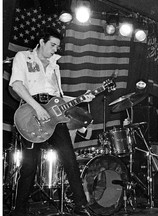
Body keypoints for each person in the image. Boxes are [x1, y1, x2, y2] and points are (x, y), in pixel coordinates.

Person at [9, 27, 96, 216]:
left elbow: (57, 98)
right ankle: (19, 210)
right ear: (41, 41)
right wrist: (38, 108)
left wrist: (82, 98)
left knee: (70, 159)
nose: (55, 49)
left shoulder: (55, 65)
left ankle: (81, 205)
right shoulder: (23, 57)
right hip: (31, 112)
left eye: (57, 46)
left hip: (54, 117)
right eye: (52, 44)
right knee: (30, 165)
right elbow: (16, 84)